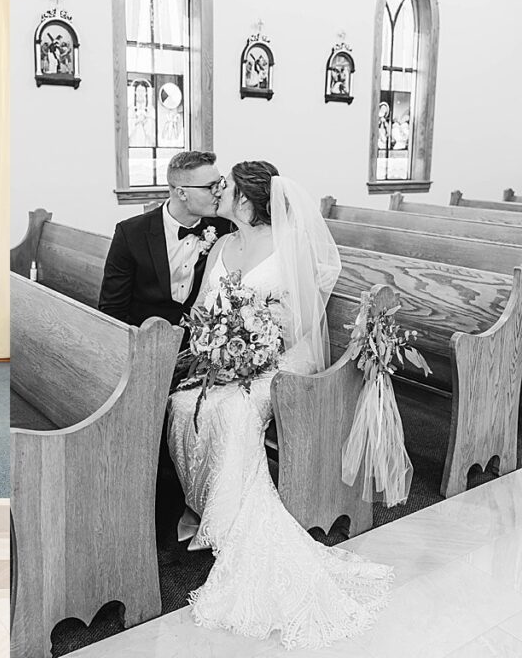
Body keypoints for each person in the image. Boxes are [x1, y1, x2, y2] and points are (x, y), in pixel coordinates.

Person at [165, 161, 392, 649]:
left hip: (277, 365)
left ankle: (229, 528)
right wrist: (214, 349)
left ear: (247, 200)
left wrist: (252, 354)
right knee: (183, 406)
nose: (220, 190)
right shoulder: (224, 244)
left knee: (230, 412)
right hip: (228, 361)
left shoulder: (287, 249)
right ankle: (201, 508)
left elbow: (298, 322)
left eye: (227, 186)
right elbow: (205, 308)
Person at [98, 150, 233, 329]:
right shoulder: (131, 233)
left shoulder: (225, 227)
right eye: (210, 187)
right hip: (145, 339)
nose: (219, 193)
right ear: (182, 193)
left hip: (201, 341)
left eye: (220, 183)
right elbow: (112, 307)